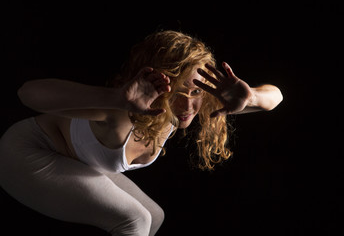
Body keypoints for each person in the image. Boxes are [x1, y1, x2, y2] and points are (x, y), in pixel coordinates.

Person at [0, 30, 283, 236]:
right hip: (26, 153)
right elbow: (28, 93)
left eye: (196, 91)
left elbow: (277, 97)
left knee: (154, 217)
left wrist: (251, 97)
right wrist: (115, 98)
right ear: (157, 84)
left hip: (74, 160)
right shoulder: (122, 111)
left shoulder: (199, 102)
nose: (187, 106)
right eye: (177, 93)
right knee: (133, 220)